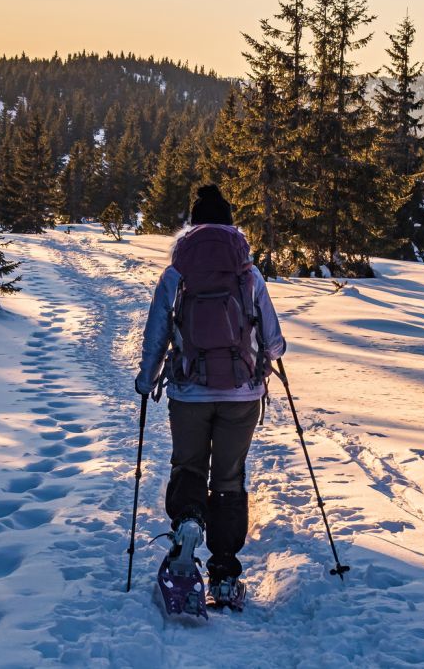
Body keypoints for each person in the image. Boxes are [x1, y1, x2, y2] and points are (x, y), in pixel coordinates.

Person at [133, 184, 286, 606]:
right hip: (242, 394)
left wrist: (147, 380)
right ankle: (223, 571)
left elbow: (156, 335)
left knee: (188, 468)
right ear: (232, 225)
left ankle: (186, 528)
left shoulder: (176, 274)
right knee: (229, 479)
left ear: (194, 224)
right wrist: (270, 355)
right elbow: (274, 340)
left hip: (189, 393)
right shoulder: (248, 273)